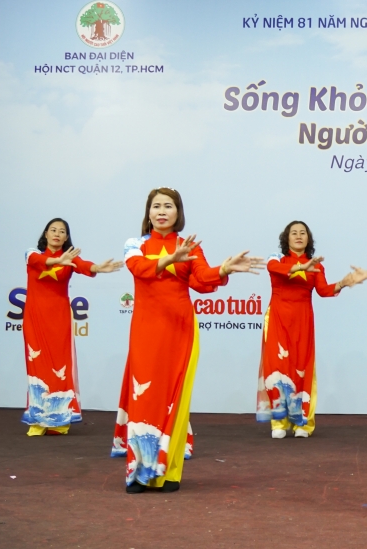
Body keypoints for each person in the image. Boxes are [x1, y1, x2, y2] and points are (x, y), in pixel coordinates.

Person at [112, 188, 261, 493]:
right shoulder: (135, 244)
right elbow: (139, 270)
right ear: (148, 212)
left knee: (176, 399)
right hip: (146, 328)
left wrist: (224, 269)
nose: (161, 211)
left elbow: (201, 279)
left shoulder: (190, 246)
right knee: (144, 396)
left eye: (168, 206)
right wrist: (170, 258)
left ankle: (170, 472)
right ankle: (138, 473)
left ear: (178, 212)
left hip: (181, 328)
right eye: (156, 206)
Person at [256, 221, 364, 438]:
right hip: (277, 319)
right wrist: (300, 268)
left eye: (303, 233)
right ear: (286, 238)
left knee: (301, 368)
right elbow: (274, 269)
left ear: (308, 238)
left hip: (302, 321)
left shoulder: (316, 266)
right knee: (277, 367)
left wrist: (342, 283)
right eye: (294, 233)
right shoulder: (276, 259)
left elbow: (324, 290)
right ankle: (279, 422)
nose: (298, 236)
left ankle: (302, 423)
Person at [22, 218, 122, 436]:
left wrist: (98, 268)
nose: (57, 234)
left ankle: (59, 419)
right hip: (35, 318)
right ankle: (37, 420)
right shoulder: (32, 254)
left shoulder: (70, 258)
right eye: (53, 230)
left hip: (59, 318)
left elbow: (84, 266)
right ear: (46, 233)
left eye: (62, 231)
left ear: (66, 237)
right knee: (37, 365)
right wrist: (58, 261)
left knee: (60, 367)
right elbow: (39, 261)